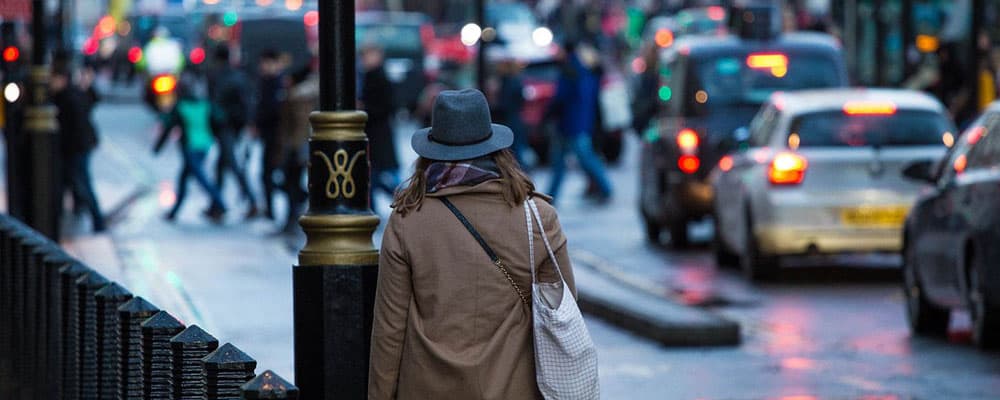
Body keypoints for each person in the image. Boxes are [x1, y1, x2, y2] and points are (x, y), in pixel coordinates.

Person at [369, 89, 577, 399]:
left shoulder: (407, 221)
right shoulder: (538, 218)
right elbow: (564, 309)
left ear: (432, 151)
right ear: (495, 148)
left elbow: (389, 331)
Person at [154, 72, 227, 223]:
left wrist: (158, 148)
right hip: (205, 144)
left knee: (200, 178)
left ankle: (220, 204)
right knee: (185, 179)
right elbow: (219, 118)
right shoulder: (205, 103)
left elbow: (168, 127)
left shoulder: (181, 107)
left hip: (191, 147)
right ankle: (174, 212)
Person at [545, 42, 613, 204]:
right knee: (576, 160)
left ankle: (605, 188)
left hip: (571, 124)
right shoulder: (582, 69)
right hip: (577, 123)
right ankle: (552, 195)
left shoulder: (571, 70)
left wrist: (548, 114)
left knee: (579, 159)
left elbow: (561, 97)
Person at [52, 66, 106, 232]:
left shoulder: (69, 96)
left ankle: (97, 220)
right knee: (74, 182)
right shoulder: (69, 94)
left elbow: (77, 125)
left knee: (82, 183)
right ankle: (80, 212)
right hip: (78, 147)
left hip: (76, 148)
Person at [207, 46, 258, 218]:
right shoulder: (238, 75)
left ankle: (251, 201)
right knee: (222, 165)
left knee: (230, 163)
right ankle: (217, 204)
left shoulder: (219, 76)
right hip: (235, 125)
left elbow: (215, 102)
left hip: (225, 125)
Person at [275, 65, 317, 235]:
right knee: (291, 184)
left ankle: (293, 219)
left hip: (295, 148)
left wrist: (295, 149)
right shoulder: (297, 97)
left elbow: (299, 127)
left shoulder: (296, 98)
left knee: (292, 185)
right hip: (296, 147)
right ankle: (292, 218)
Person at [359, 45, 400, 205]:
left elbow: (386, 106)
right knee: (374, 177)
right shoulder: (370, 76)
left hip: (378, 136)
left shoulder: (379, 77)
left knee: (376, 176)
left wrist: (364, 108)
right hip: (375, 136)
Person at [255, 49, 286, 219]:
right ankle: (269, 210)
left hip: (277, 136)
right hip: (269, 135)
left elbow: (273, 110)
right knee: (268, 174)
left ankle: (272, 210)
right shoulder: (266, 82)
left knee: (273, 174)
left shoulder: (278, 83)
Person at [493, 56, 529, 168]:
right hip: (516, 120)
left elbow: (505, 104)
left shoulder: (509, 82)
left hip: (510, 121)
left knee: (515, 154)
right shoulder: (516, 81)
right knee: (518, 152)